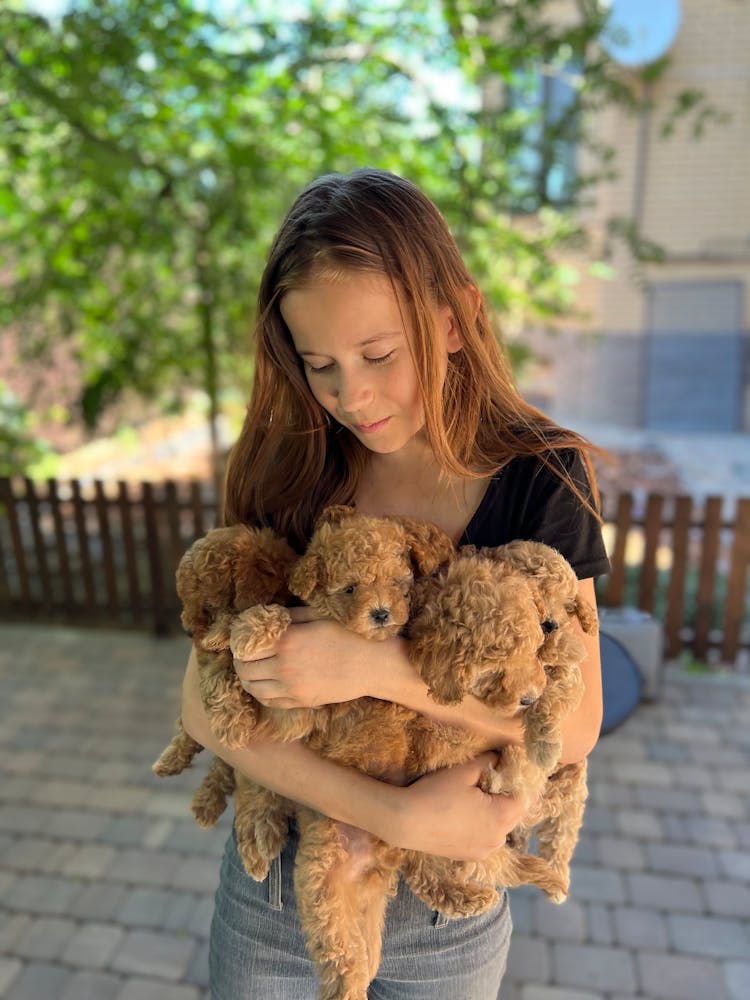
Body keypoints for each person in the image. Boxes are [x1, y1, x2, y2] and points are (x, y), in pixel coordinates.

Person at [180, 168, 611, 999]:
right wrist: (395, 817)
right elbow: (203, 703)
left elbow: (578, 718)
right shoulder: (292, 476)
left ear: (454, 319)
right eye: (320, 365)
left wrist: (374, 668)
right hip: (284, 894)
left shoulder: (545, 479)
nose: (353, 395)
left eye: (379, 354)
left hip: (453, 906)